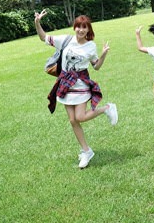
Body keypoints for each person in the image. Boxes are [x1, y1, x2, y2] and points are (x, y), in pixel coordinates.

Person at [35, 9, 118, 169]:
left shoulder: (90, 46)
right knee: (73, 120)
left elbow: (97, 67)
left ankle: (107, 108)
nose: (81, 30)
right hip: (65, 84)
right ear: (75, 27)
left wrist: (103, 54)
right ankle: (86, 151)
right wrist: (37, 22)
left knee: (80, 117)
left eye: (84, 27)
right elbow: (43, 37)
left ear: (88, 30)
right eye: (78, 27)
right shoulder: (65, 40)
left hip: (80, 84)